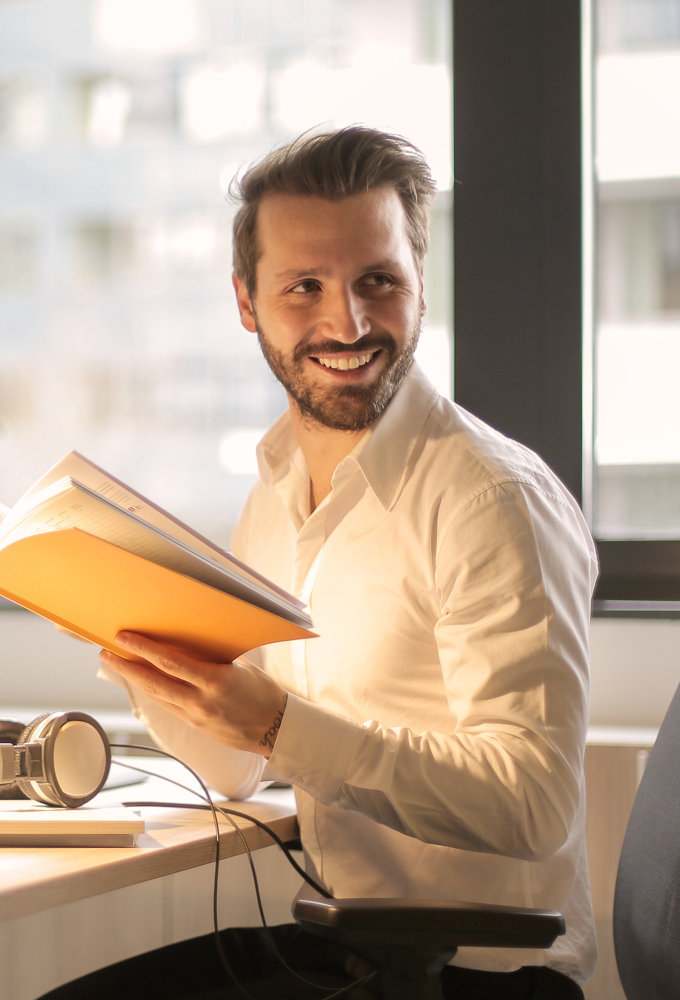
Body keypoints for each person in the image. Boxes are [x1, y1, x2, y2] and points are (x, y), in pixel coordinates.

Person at [43, 126, 597, 999]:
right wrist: (141, 654)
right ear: (247, 302)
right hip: (350, 941)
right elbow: (237, 768)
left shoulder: (492, 498)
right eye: (305, 287)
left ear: (419, 285)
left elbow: (533, 805)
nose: (349, 321)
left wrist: (279, 725)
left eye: (378, 281)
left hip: (484, 971)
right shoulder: (275, 489)